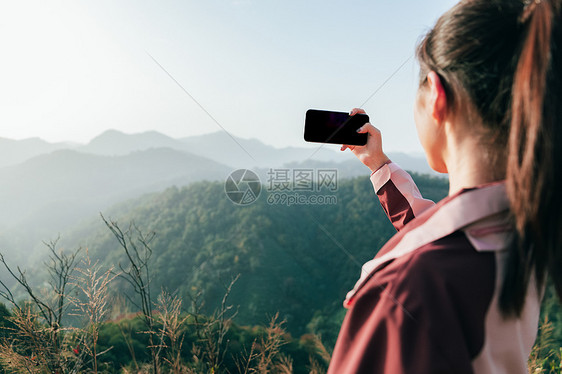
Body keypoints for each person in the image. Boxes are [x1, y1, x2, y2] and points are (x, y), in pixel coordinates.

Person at [328, 0, 562, 373]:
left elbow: (437, 246)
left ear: (437, 95)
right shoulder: (526, 229)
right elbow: (443, 228)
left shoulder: (408, 292)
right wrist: (377, 163)